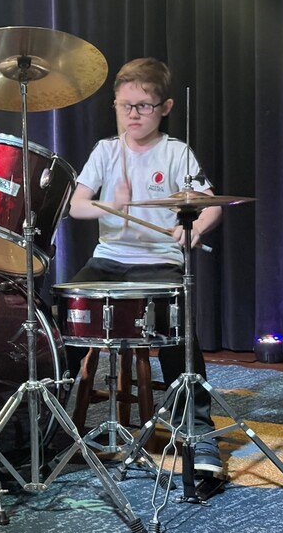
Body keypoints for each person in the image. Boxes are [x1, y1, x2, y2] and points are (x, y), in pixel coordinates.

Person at [63, 58, 224, 477]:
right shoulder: (105, 150)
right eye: (125, 105)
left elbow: (210, 206)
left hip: (160, 261)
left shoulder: (175, 153)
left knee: (179, 335)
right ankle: (47, 422)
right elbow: (76, 205)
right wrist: (110, 204)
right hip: (108, 260)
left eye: (144, 106)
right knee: (62, 318)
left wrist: (194, 231)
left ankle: (198, 432)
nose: (133, 114)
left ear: (165, 107)